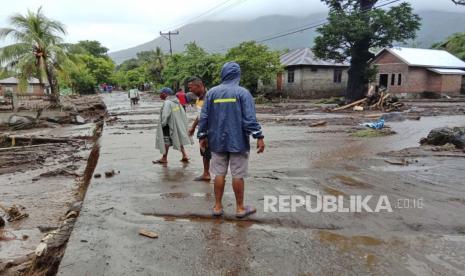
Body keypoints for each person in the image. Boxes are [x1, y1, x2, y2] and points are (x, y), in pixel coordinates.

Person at [197, 62, 265, 218]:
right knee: (237, 175)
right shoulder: (243, 93)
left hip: (217, 141)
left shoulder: (212, 93)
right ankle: (240, 208)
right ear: (237, 75)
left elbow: (204, 117)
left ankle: (217, 207)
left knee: (219, 174)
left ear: (223, 74)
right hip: (238, 141)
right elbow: (249, 119)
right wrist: (259, 136)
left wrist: (202, 136)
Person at [154, 87, 192, 164]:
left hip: (168, 125)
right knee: (178, 138)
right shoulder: (176, 102)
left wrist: (162, 124)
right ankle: (184, 155)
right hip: (177, 124)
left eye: (160, 93)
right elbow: (182, 113)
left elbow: (165, 115)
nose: (159, 95)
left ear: (165, 94)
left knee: (166, 141)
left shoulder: (167, 102)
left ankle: (164, 158)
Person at [187, 77, 211, 182]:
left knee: (211, 151)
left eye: (191, 88)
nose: (190, 90)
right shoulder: (198, 99)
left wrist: (205, 133)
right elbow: (200, 115)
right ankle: (206, 173)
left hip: (210, 129)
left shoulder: (209, 97)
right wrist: (193, 127)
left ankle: (217, 174)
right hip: (202, 128)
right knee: (204, 151)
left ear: (199, 86)